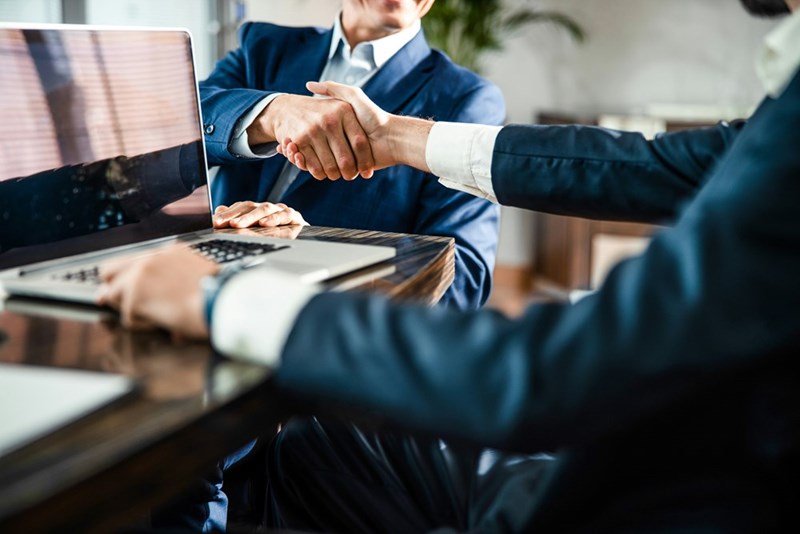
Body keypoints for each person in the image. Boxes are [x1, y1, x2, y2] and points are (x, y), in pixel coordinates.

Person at [99, 0, 800, 530]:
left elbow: (534, 361)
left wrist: (235, 297)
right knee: (300, 455)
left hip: (678, 485)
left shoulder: (461, 90)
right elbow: (651, 165)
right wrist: (363, 132)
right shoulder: (263, 47)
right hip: (671, 439)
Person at [201, 0, 504, 310]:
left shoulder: (466, 99)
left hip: (315, 322)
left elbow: (464, 278)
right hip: (200, 278)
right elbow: (178, 125)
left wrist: (312, 250)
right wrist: (272, 113)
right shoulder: (263, 47)